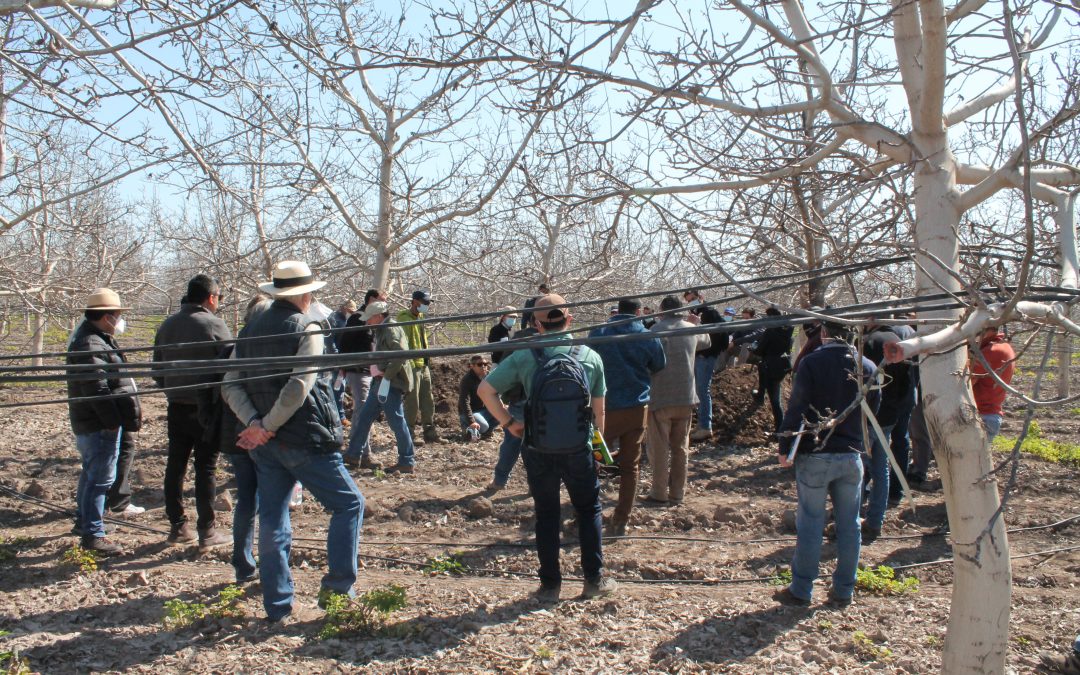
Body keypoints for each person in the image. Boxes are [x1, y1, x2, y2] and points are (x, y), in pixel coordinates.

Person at [221, 260, 364, 622]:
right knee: (349, 505)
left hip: (266, 446)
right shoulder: (308, 327)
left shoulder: (250, 329)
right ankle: (337, 592)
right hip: (303, 439)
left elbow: (230, 383)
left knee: (272, 517)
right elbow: (300, 385)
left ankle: (278, 604)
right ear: (304, 293)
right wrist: (266, 424)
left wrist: (255, 424)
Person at [477, 293, 616, 601]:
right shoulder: (589, 356)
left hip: (537, 446)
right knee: (588, 508)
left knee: (547, 513)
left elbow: (485, 389)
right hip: (580, 446)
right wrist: (597, 449)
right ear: (570, 320)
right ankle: (594, 580)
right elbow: (599, 411)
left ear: (536, 325)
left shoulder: (526, 354)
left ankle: (550, 585)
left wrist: (508, 424)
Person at [774, 320, 878, 607]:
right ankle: (844, 590)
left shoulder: (811, 363)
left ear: (823, 333)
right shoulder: (866, 366)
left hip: (815, 454)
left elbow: (796, 407)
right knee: (850, 525)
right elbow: (874, 409)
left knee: (810, 522)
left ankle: (801, 589)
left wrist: (785, 446)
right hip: (851, 455)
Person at [153, 274, 232, 548]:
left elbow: (157, 370)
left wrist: (173, 391)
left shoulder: (167, 325)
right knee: (205, 468)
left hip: (176, 406)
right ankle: (206, 530)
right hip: (206, 408)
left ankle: (177, 526)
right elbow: (231, 366)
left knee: (175, 465)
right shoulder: (214, 325)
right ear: (211, 298)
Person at [198, 294, 271, 582]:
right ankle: (265, 565)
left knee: (247, 501)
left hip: (236, 438)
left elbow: (213, 394)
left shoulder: (232, 348)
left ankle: (244, 565)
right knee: (268, 502)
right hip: (257, 437)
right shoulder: (265, 351)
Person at [65, 288, 142, 555]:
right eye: (118, 314)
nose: (120, 319)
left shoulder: (97, 338)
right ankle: (93, 534)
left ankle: (85, 522)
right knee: (99, 480)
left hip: (93, 422)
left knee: (91, 475)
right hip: (98, 425)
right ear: (107, 316)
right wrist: (112, 422)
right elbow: (98, 390)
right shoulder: (91, 344)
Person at [589, 297, 666, 536]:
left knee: (593, 461)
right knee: (630, 467)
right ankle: (621, 520)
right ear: (639, 311)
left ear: (616, 311)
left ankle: (588, 514)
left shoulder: (599, 332)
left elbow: (588, 362)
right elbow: (659, 365)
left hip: (604, 411)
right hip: (636, 409)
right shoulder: (647, 335)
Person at [645, 296, 711, 505]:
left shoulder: (654, 331)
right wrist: (696, 323)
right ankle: (677, 493)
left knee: (659, 447)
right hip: (686, 397)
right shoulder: (690, 329)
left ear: (661, 310)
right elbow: (707, 342)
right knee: (681, 447)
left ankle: (658, 493)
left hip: (660, 397)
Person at [344, 301, 417, 474]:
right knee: (364, 417)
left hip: (390, 382)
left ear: (378, 316)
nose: (368, 322)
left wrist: (387, 375)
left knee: (396, 422)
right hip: (381, 381)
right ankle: (353, 455)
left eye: (370, 318)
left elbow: (400, 355)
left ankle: (407, 460)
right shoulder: (382, 329)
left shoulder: (391, 329)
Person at [859, 316, 913, 542]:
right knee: (881, 469)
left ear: (870, 320)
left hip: (870, 416)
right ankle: (874, 521)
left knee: (859, 468)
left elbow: (862, 381)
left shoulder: (871, 342)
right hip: (891, 414)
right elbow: (909, 385)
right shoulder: (903, 342)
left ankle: (850, 516)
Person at [486, 314, 540, 491]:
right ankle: (536, 484)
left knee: (512, 440)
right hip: (545, 400)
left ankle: (500, 481)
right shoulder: (555, 340)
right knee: (539, 445)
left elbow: (504, 367)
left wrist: (506, 396)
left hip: (520, 398)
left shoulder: (518, 339)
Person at [340, 289, 385, 469]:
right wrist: (346, 365)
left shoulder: (371, 318)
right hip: (359, 371)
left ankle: (356, 451)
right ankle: (362, 454)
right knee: (363, 411)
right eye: (381, 300)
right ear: (372, 299)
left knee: (364, 411)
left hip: (368, 371)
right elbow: (344, 344)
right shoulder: (357, 318)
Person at [683, 289, 727, 442]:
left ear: (700, 297)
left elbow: (719, 335)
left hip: (706, 356)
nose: (691, 302)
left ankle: (706, 426)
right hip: (699, 356)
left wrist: (709, 352)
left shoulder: (710, 313)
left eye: (693, 299)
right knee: (698, 390)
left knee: (702, 389)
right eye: (688, 301)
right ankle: (702, 423)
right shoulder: (694, 316)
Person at [397, 290, 440, 445]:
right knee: (412, 401)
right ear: (415, 301)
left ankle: (430, 432)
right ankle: (409, 434)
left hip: (423, 364)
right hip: (412, 365)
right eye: (425, 303)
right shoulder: (403, 318)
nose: (427, 306)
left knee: (427, 399)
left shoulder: (420, 317)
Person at [971, 325, 1016, 441]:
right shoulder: (1004, 347)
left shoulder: (991, 351)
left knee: (971, 458)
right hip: (990, 414)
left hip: (982, 415)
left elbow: (966, 381)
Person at [753, 306, 794, 432]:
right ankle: (760, 394)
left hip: (770, 364)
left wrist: (754, 349)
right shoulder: (788, 330)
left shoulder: (770, 331)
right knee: (776, 395)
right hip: (782, 364)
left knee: (775, 400)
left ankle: (779, 429)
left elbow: (760, 350)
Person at [458, 355, 496, 440]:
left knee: (503, 411)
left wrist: (502, 405)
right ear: (472, 366)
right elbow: (464, 402)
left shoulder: (489, 376)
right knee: (484, 426)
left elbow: (495, 394)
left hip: (484, 410)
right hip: (472, 412)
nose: (483, 366)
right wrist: (471, 421)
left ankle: (486, 433)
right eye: (480, 364)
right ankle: (467, 428)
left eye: (485, 364)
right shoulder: (466, 380)